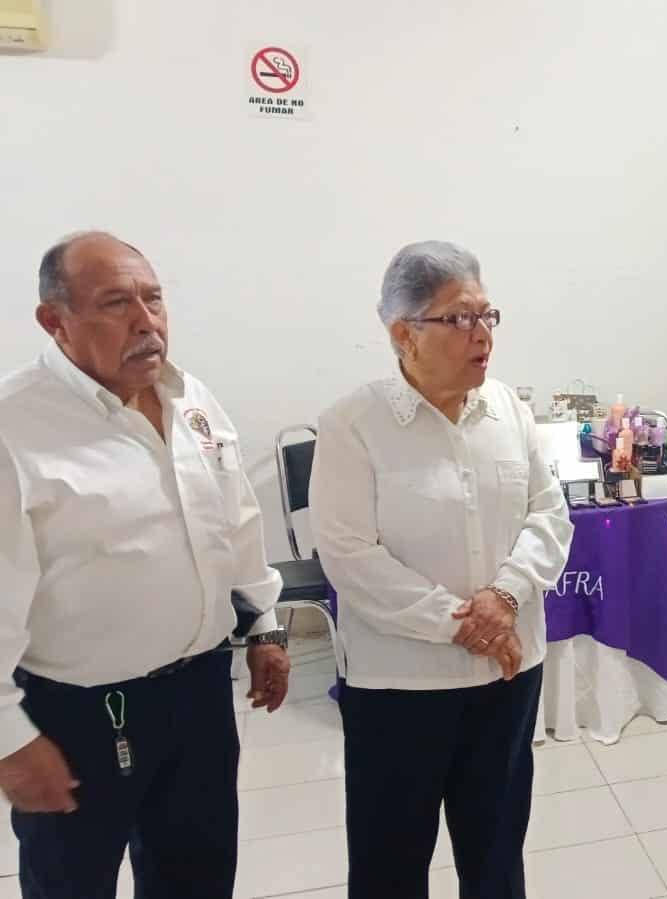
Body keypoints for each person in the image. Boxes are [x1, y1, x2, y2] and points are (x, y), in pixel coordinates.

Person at [0, 231, 290, 898]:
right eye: (114, 303)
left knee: (197, 873)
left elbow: (237, 521)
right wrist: (8, 737)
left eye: (153, 299)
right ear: (55, 320)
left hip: (197, 696)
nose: (146, 321)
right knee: (73, 882)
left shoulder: (191, 399)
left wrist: (265, 626)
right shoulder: (15, 426)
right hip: (75, 715)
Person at [309, 241, 573, 899]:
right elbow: (350, 555)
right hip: (399, 688)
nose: (482, 335)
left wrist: (506, 598)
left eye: (488, 316)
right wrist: (466, 623)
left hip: (507, 679)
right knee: (389, 863)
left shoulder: (507, 409)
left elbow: (550, 513)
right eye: (460, 319)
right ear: (404, 334)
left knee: (495, 855)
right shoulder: (353, 424)